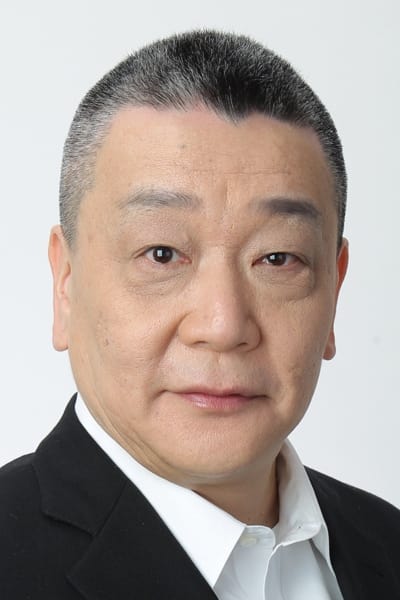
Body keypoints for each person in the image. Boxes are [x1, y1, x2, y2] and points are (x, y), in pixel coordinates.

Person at [1, 30, 399, 600]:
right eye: (162, 254)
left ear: (334, 290)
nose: (223, 326)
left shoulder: (385, 543)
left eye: (277, 258)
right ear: (66, 283)